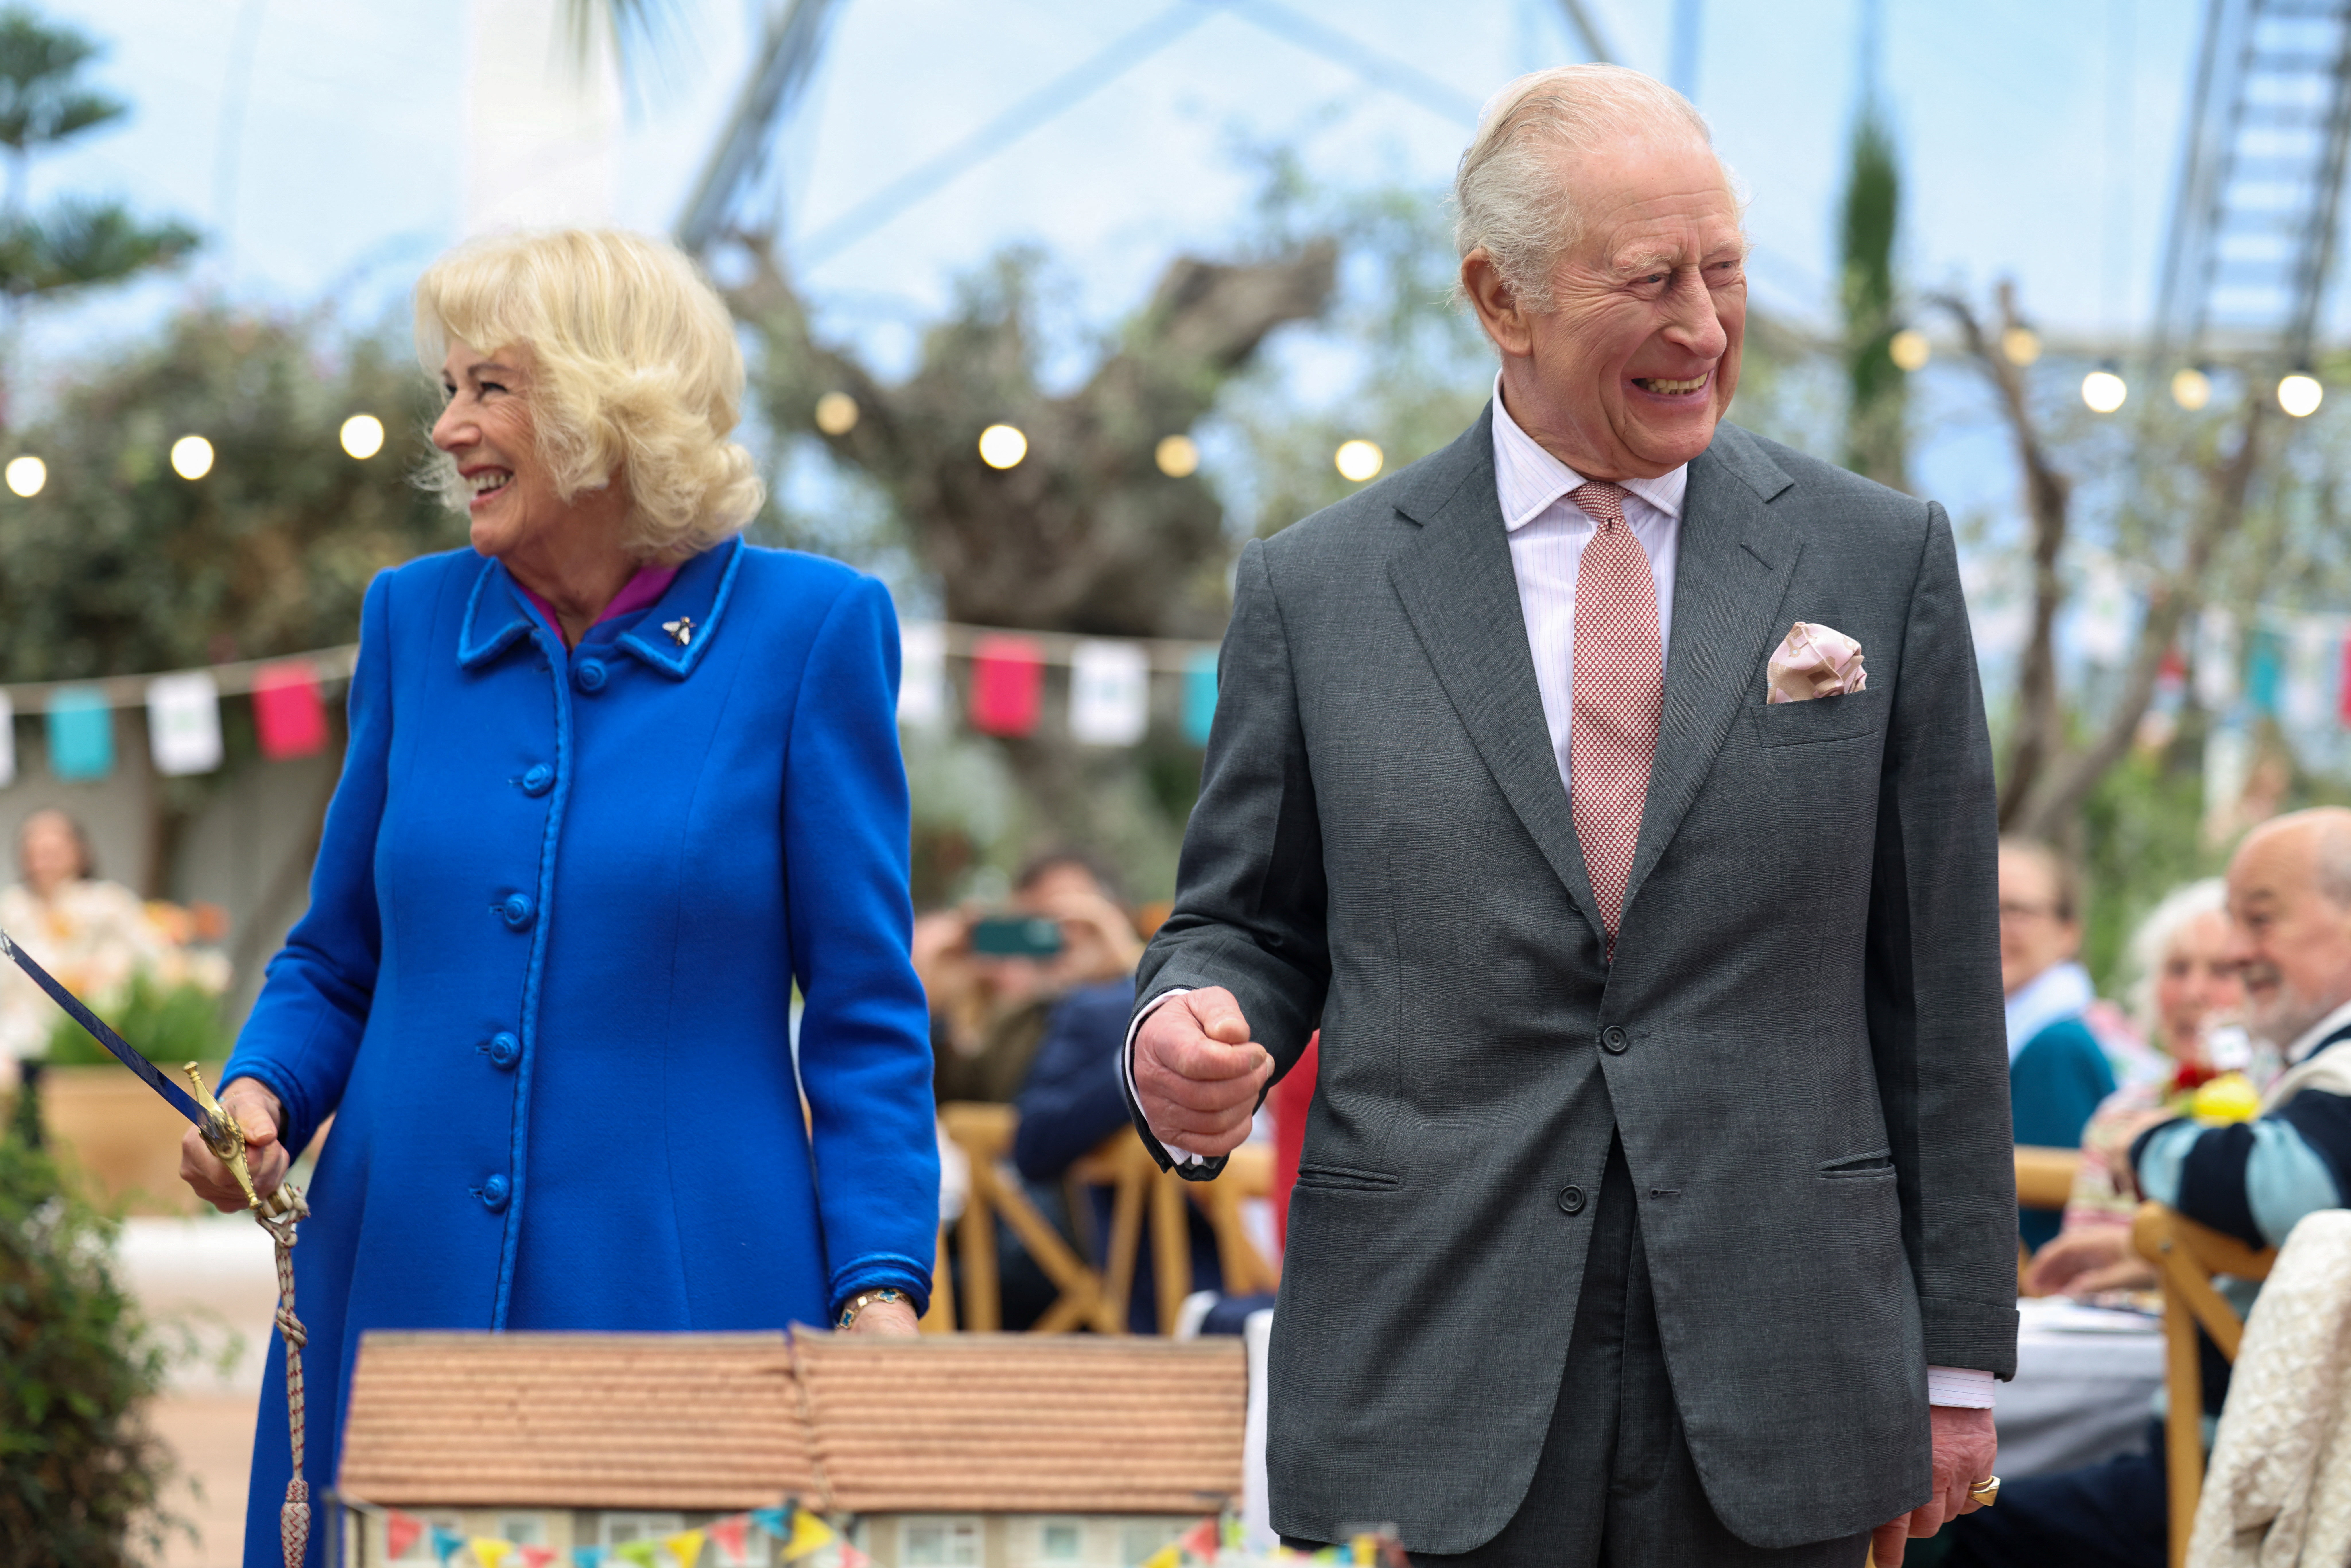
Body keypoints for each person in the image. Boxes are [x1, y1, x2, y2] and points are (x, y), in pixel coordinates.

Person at [1125, 65, 2012, 1568]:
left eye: (1725, 270)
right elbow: (1250, 920)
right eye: (1651, 279)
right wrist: (1188, 1020)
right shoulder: (1317, 588)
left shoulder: (1881, 561)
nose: (1706, 327)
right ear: (1500, 297)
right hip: (1431, 1363)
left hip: (1791, 1370)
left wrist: (1952, 1364)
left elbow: (1939, 985)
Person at [176, 230, 940, 1568]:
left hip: (686, 1294)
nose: (447, 426)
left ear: (606, 404)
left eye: (489, 387)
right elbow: (338, 957)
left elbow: (866, 1014)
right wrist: (261, 1096)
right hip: (396, 1284)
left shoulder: (811, 629)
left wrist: (877, 1289)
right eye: (451, 386)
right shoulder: (413, 620)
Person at [1943, 808, 2351, 1568]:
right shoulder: (2309, 1065)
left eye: (2258, 920)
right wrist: (2152, 1253)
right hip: (2221, 1460)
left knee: (1935, 1515)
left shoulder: (2336, 1068)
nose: (2233, 955)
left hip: (2237, 1484)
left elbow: (2285, 1183)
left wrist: (2152, 1143)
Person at [2024, 879, 2245, 1297]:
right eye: (2177, 970)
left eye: (2221, 971)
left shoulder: (2283, 1108)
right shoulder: (2121, 1114)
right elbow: (2083, 1280)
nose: (2193, 993)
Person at [922, 852, 1144, 1104]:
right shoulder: (1023, 1016)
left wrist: (1127, 969)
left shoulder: (1152, 995)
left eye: (1073, 917)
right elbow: (960, 1092)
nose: (1061, 937)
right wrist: (948, 1000)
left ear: (1116, 917)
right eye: (1039, 922)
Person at [2000, 838, 2118, 1249]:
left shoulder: (2056, 1049)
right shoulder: (2023, 1033)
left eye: (2016, 911)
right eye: (1978, 906)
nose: (1994, 926)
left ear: (2067, 932)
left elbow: (2044, 1223)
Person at [0, 810, 170, 1078]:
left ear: (81, 852)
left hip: (95, 1049)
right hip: (18, 1049)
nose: (46, 857)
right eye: (36, 847)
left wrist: (107, 973)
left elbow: (156, 959)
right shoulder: (9, 909)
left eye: (56, 847)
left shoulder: (110, 902)